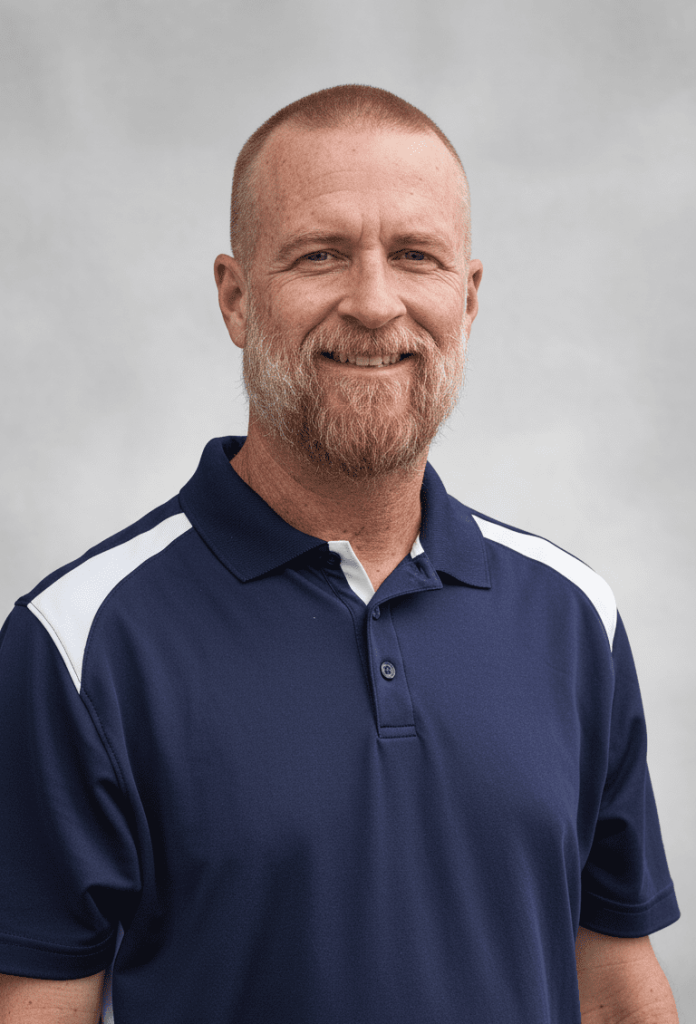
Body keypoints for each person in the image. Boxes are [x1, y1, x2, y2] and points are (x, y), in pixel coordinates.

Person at [0, 84, 680, 1024]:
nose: (373, 303)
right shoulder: (78, 644)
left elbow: (613, 995)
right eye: (320, 255)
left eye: (416, 256)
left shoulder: (573, 617)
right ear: (237, 300)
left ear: (468, 297)